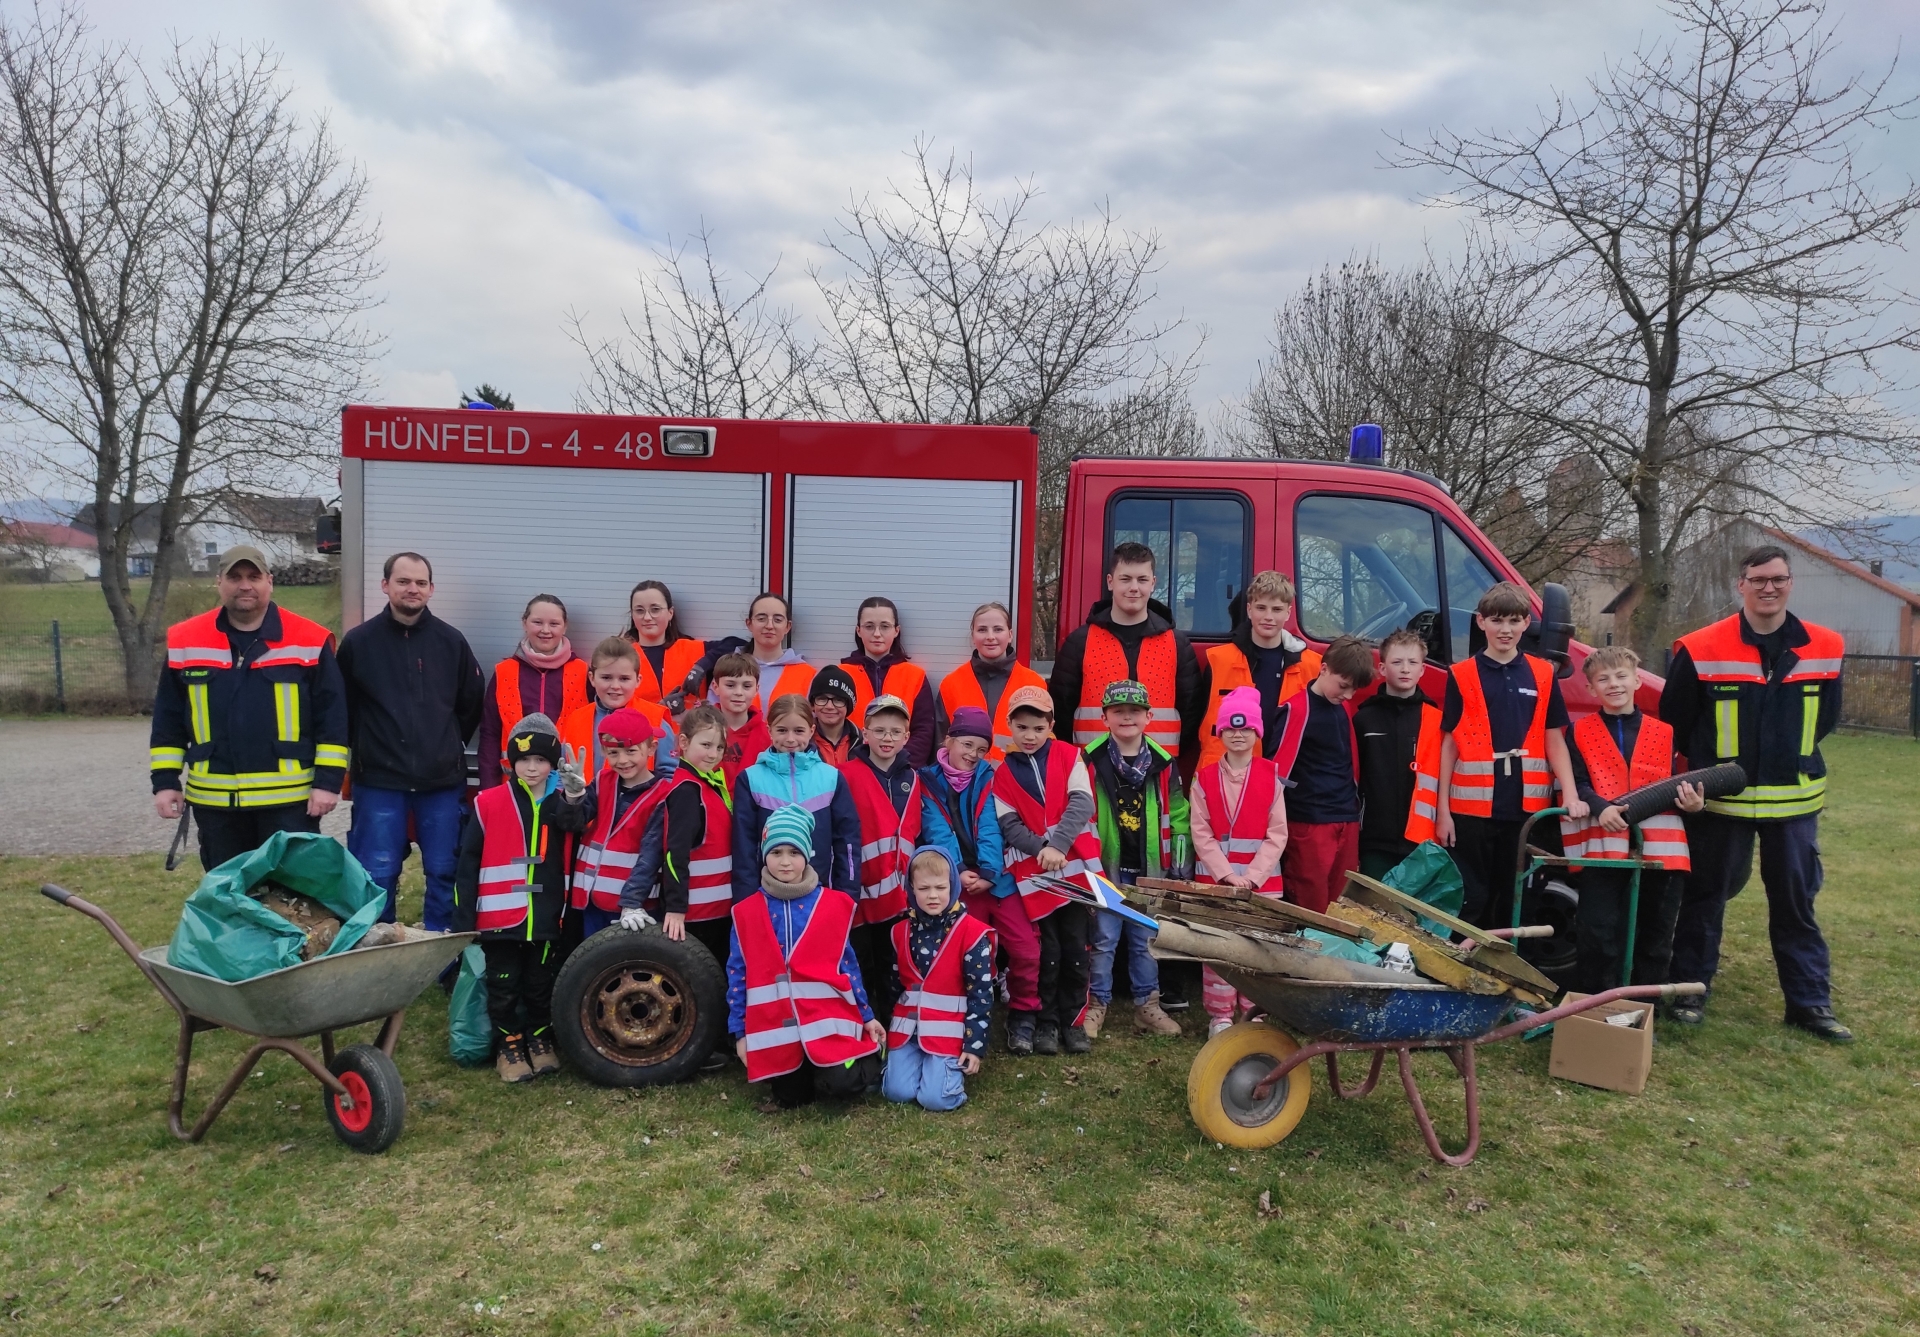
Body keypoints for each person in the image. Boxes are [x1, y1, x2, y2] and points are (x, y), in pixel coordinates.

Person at [1662, 545, 1850, 1040]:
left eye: (1778, 579)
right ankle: (1689, 992)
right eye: (1759, 579)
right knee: (1705, 900)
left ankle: (1810, 1005)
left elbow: (1826, 719)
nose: (1769, 588)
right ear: (1740, 585)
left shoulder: (1826, 646)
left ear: (1791, 583)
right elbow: (1676, 722)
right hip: (1721, 803)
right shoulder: (1701, 647)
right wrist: (1708, 775)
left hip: (1794, 803)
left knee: (1796, 906)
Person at [150, 545, 349, 870]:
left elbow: (333, 720)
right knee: (227, 891)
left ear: (269, 581)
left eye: (254, 577)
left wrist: (327, 784)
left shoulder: (309, 640)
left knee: (290, 891)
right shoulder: (186, 640)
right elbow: (168, 719)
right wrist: (165, 782)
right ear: (219, 582)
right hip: (216, 804)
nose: (245, 585)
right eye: (235, 577)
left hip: (290, 803)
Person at [336, 552, 485, 927]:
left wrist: (442, 745)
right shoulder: (358, 643)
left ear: (431, 589)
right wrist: (372, 747)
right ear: (385, 585)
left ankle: (441, 947)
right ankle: (379, 945)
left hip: (441, 783)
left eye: (420, 582)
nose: (412, 589)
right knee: (376, 872)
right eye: (403, 581)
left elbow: (470, 704)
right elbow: (342, 708)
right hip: (379, 782)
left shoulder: (451, 642)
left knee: (445, 869)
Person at [1429, 584, 1588, 927]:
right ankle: (1464, 958)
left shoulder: (1543, 674)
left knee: (1516, 898)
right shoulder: (1461, 674)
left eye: (1514, 621)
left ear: (1526, 623)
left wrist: (1571, 794)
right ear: (1481, 622)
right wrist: (1443, 812)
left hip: (1526, 810)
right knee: (1471, 897)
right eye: (1497, 620)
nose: (1505, 629)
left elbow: (1554, 739)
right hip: (1470, 812)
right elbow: (1450, 744)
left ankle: (1506, 960)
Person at [450, 713, 590, 1083]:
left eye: (541, 760)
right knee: (504, 984)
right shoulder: (488, 802)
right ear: (511, 761)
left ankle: (540, 1038)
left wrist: (575, 796)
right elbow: (467, 864)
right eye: (524, 759)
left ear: (552, 764)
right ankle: (508, 1044)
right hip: (499, 920)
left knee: (539, 982)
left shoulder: (559, 803)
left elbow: (576, 824)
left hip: (546, 916)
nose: (531, 768)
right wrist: (463, 920)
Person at [727, 804, 886, 1110]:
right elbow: (737, 974)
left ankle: (869, 1058)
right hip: (778, 1027)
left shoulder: (833, 904)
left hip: (827, 1021)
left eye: (794, 852)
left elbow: (849, 967)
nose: (785, 862)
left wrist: (866, 1016)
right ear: (764, 855)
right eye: (776, 852)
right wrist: (740, 1033)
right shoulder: (745, 912)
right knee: (792, 1098)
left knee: (843, 1084)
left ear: (808, 855)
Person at [1561, 648, 1701, 997]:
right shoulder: (1578, 731)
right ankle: (1596, 1001)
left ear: (1638, 681)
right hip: (1602, 848)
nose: (1614, 684)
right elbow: (1576, 782)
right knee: (1596, 928)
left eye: (1621, 676)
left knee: (1655, 931)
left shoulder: (1665, 732)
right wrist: (1600, 807)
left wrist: (1695, 804)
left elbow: (1680, 783)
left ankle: (1644, 1004)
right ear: (1591, 689)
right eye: (1603, 679)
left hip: (1661, 850)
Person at [993, 685, 1102, 1057]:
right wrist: (1042, 849)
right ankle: (1047, 1022)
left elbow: (1082, 802)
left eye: (1038, 728)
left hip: (1074, 871)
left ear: (1051, 726)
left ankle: (1073, 1022)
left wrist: (1058, 845)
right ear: (1010, 725)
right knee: (1047, 951)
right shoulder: (1003, 773)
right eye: (1022, 727)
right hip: (1036, 875)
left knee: (1076, 949)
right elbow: (1009, 824)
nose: (1030, 735)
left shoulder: (1069, 756)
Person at [841, 695, 959, 1023]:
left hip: (899, 897)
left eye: (895, 732)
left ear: (907, 737)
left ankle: (896, 1026)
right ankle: (866, 1027)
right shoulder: (845, 775)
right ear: (865, 733)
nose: (887, 738)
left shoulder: (913, 778)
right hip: (860, 894)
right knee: (862, 965)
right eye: (879, 730)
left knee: (895, 964)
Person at [1081, 679, 1186, 1040]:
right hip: (1105, 869)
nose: (1127, 717)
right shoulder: (1090, 760)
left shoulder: (1164, 762)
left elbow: (1179, 814)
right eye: (1118, 711)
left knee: (1145, 941)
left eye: (1135, 711)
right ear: (1104, 717)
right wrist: (1087, 866)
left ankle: (1147, 1006)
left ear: (1148, 717)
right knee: (1104, 940)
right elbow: (1079, 813)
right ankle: (1096, 1005)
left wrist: (1179, 865)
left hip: (1149, 872)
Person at [1191, 686, 1289, 1036]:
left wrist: (1253, 876)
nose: (1237, 735)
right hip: (1216, 885)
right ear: (1219, 732)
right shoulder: (1203, 779)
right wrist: (1226, 874)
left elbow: (1278, 833)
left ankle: (1253, 1012)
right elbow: (1200, 832)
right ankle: (1220, 1016)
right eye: (1230, 728)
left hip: (1261, 887)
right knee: (1217, 949)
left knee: (1255, 950)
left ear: (1257, 732)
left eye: (1245, 728)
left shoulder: (1271, 776)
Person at [1049, 542, 1204, 760]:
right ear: (1110, 582)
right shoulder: (1079, 642)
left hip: (1158, 768)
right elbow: (1060, 710)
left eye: (1142, 579)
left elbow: (1192, 713)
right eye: (1125, 579)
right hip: (1092, 767)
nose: (1134, 587)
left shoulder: (1177, 644)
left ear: (1153, 583)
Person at [919, 707, 1024, 1015]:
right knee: (968, 944)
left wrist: (989, 871)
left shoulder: (990, 777)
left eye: (981, 749)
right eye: (967, 745)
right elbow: (937, 829)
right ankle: (972, 997)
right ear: (948, 741)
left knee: (1025, 945)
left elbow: (991, 826)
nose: (974, 754)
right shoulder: (927, 780)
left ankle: (1022, 1006)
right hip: (956, 876)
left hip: (993, 874)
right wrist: (958, 870)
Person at [622, 706, 736, 972]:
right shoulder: (687, 791)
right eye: (706, 745)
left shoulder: (707, 784)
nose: (713, 754)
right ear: (683, 742)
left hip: (716, 910)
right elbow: (675, 853)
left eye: (719, 747)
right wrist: (676, 908)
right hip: (696, 915)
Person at [1268, 636, 1374, 914]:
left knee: (1342, 905)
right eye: (1344, 686)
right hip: (1309, 822)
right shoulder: (1295, 710)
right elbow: (1276, 772)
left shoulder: (1342, 707)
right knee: (1310, 904)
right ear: (1324, 669)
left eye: (1354, 689)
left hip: (1346, 818)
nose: (1348, 695)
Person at [883, 846, 994, 1112]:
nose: (932, 895)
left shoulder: (972, 933)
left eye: (940, 888)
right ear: (911, 889)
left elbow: (981, 995)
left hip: (948, 1032)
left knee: (935, 1100)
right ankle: (916, 1067)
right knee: (896, 1092)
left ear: (953, 886)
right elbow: (893, 986)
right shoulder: (899, 931)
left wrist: (974, 1046)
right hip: (907, 1031)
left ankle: (940, 1075)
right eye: (924, 889)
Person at [731, 694, 860, 899]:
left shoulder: (831, 777)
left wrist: (847, 897)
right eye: (782, 730)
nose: (790, 739)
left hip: (822, 894)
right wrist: (745, 902)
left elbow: (847, 843)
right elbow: (743, 848)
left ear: (812, 730)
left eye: (799, 731)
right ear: (769, 730)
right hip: (766, 897)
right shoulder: (750, 779)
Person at [1195, 571, 1323, 770]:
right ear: (1249, 609)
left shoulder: (1312, 665)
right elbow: (1196, 722)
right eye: (1261, 608)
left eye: (1277, 609)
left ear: (1288, 613)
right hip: (1225, 775)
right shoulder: (1217, 660)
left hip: (1288, 775)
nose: (1268, 617)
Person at [569, 708, 670, 939]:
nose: (622, 760)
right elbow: (573, 824)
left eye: (631, 751)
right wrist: (573, 798)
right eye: (613, 753)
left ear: (652, 748)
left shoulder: (664, 794)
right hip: (590, 901)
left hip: (635, 908)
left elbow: (652, 854)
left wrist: (632, 902)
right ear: (603, 751)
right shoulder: (602, 781)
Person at [478, 595, 588, 790]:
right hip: (513, 785)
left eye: (554, 623)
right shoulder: (504, 671)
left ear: (565, 626)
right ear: (524, 623)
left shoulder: (583, 672)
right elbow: (490, 734)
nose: (545, 630)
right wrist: (489, 790)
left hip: (565, 788)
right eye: (537, 622)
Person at [1355, 627, 1440, 879]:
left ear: (1422, 669)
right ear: (1382, 669)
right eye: (1397, 662)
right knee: (1373, 901)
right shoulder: (1364, 719)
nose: (1405, 669)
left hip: (1421, 839)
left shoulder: (1435, 720)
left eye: (1412, 662)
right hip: (1374, 838)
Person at [558, 637, 679, 785]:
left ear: (638, 680)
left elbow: (671, 775)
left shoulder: (655, 719)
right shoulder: (576, 719)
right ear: (592, 678)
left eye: (624, 679)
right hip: (583, 799)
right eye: (606, 678)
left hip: (640, 800)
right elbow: (562, 772)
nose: (615, 686)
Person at [936, 601, 1046, 761]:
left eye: (998, 629)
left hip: (1018, 775)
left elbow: (1045, 742)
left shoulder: (1034, 684)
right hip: (965, 775)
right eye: (982, 630)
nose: (990, 636)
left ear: (1010, 635)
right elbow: (940, 743)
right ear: (973, 636)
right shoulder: (951, 684)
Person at [840, 597, 937, 766]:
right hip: (851, 770)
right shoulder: (841, 675)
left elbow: (923, 730)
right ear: (858, 630)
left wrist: (900, 767)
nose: (877, 633)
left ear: (896, 630)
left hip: (901, 771)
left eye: (885, 626)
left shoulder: (915, 676)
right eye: (869, 626)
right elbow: (831, 728)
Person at [620, 580, 708, 711]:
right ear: (632, 615)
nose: (647, 617)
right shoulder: (620, 655)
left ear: (670, 613)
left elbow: (734, 644)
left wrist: (702, 666)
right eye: (639, 610)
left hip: (691, 724)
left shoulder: (695, 650)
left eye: (655, 609)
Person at [710, 652, 771, 786]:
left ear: (756, 689)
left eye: (747, 686)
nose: (738, 692)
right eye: (730, 685)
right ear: (715, 687)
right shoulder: (699, 730)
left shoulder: (768, 735)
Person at [808, 665, 862, 769]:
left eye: (838, 700)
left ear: (848, 706)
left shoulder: (864, 744)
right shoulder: (801, 741)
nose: (829, 706)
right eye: (822, 699)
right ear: (812, 704)